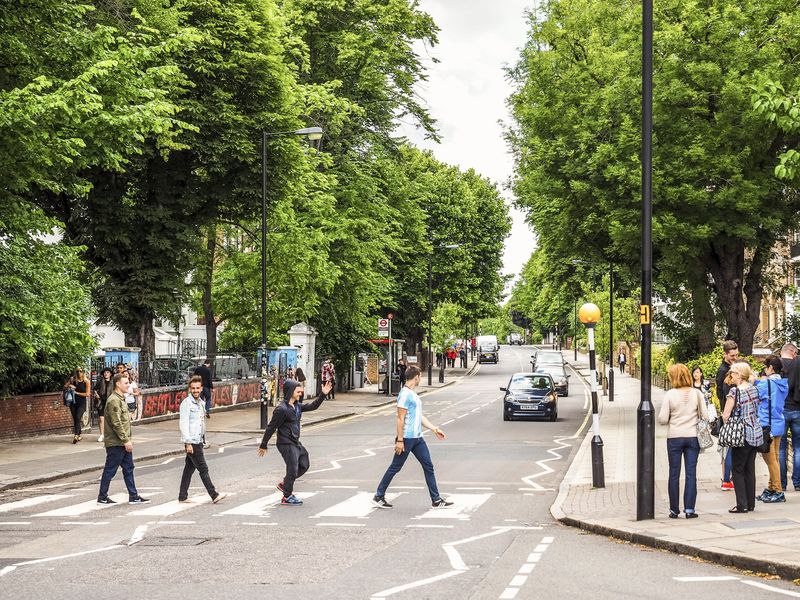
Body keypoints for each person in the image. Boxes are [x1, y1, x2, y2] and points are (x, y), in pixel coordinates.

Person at [372, 365, 453, 509]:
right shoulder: (405, 394)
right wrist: (400, 440)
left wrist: (434, 428)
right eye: (420, 376)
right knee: (395, 467)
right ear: (416, 377)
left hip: (418, 438)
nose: (420, 379)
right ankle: (378, 495)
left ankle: (436, 500)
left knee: (428, 466)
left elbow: (419, 416)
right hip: (407, 438)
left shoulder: (413, 394)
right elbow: (400, 418)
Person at [257, 378, 333, 505]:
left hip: (295, 442)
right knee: (292, 469)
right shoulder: (281, 409)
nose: (300, 393)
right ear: (291, 391)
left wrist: (323, 394)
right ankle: (287, 496)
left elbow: (313, 406)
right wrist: (263, 444)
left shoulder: (297, 406)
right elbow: (271, 427)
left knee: (304, 464)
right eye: (298, 391)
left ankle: (286, 483)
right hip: (285, 443)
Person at [658, 363, 708, 518]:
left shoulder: (670, 394)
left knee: (674, 473)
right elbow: (705, 416)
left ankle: (674, 510)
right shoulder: (697, 394)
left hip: (674, 437)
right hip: (692, 437)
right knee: (691, 474)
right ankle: (689, 510)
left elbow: (662, 419)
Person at [97, 373, 149, 505]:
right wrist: (126, 440)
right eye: (126, 383)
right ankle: (102, 497)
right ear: (118, 384)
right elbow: (116, 423)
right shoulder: (114, 400)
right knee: (110, 469)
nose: (128, 385)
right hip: (116, 443)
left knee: (128, 468)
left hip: (121, 441)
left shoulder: (120, 399)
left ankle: (133, 495)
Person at [178, 376, 227, 504]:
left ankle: (182, 496)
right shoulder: (186, 404)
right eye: (193, 388)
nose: (195, 391)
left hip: (198, 440)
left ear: (201, 388)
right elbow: (183, 424)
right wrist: (187, 443)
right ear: (190, 389)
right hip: (192, 442)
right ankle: (214, 494)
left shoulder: (201, 403)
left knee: (188, 469)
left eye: (197, 388)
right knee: (203, 468)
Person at [723, 361, 764, 513]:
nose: (731, 376)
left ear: (739, 375)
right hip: (755, 432)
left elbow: (726, 414)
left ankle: (742, 504)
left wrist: (728, 422)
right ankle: (751, 503)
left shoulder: (734, 392)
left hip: (741, 434)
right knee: (749, 469)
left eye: (732, 373)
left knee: (737, 469)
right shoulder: (754, 389)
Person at [754, 355, 788, 503]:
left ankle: (778, 490)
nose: (764, 370)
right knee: (774, 458)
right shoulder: (782, 383)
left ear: (771, 368)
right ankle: (771, 487)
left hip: (767, 425)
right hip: (778, 423)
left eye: (765, 367)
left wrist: (754, 379)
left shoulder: (766, 384)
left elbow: (755, 392)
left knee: (770, 459)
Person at [716, 340, 738, 491]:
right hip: (729, 414)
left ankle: (727, 478)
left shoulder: (734, 367)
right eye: (732, 355)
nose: (735, 357)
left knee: (730, 447)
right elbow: (721, 393)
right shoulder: (723, 371)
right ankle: (727, 479)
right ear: (725, 354)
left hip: (731, 413)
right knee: (729, 448)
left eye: (736, 355)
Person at [778, 343, 800, 492]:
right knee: (798, 447)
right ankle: (797, 482)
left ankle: (782, 483)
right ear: (792, 351)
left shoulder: (776, 364)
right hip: (797, 409)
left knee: (781, 448)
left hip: (781, 410)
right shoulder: (798, 365)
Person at [69, 367, 91, 443]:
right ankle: (79, 434)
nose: (79, 373)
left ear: (83, 372)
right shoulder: (73, 380)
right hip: (73, 402)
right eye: (77, 371)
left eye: (80, 371)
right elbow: (64, 387)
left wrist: (77, 393)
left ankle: (76, 435)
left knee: (78, 417)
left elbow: (88, 394)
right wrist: (70, 386)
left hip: (81, 403)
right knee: (75, 419)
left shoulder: (86, 381)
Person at [94, 367, 114, 442]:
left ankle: (110, 434)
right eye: (105, 372)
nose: (106, 374)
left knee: (110, 419)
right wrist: (96, 395)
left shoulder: (113, 382)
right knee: (101, 419)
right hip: (101, 402)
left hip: (110, 402)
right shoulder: (100, 381)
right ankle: (102, 434)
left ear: (110, 374)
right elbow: (95, 389)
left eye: (108, 372)